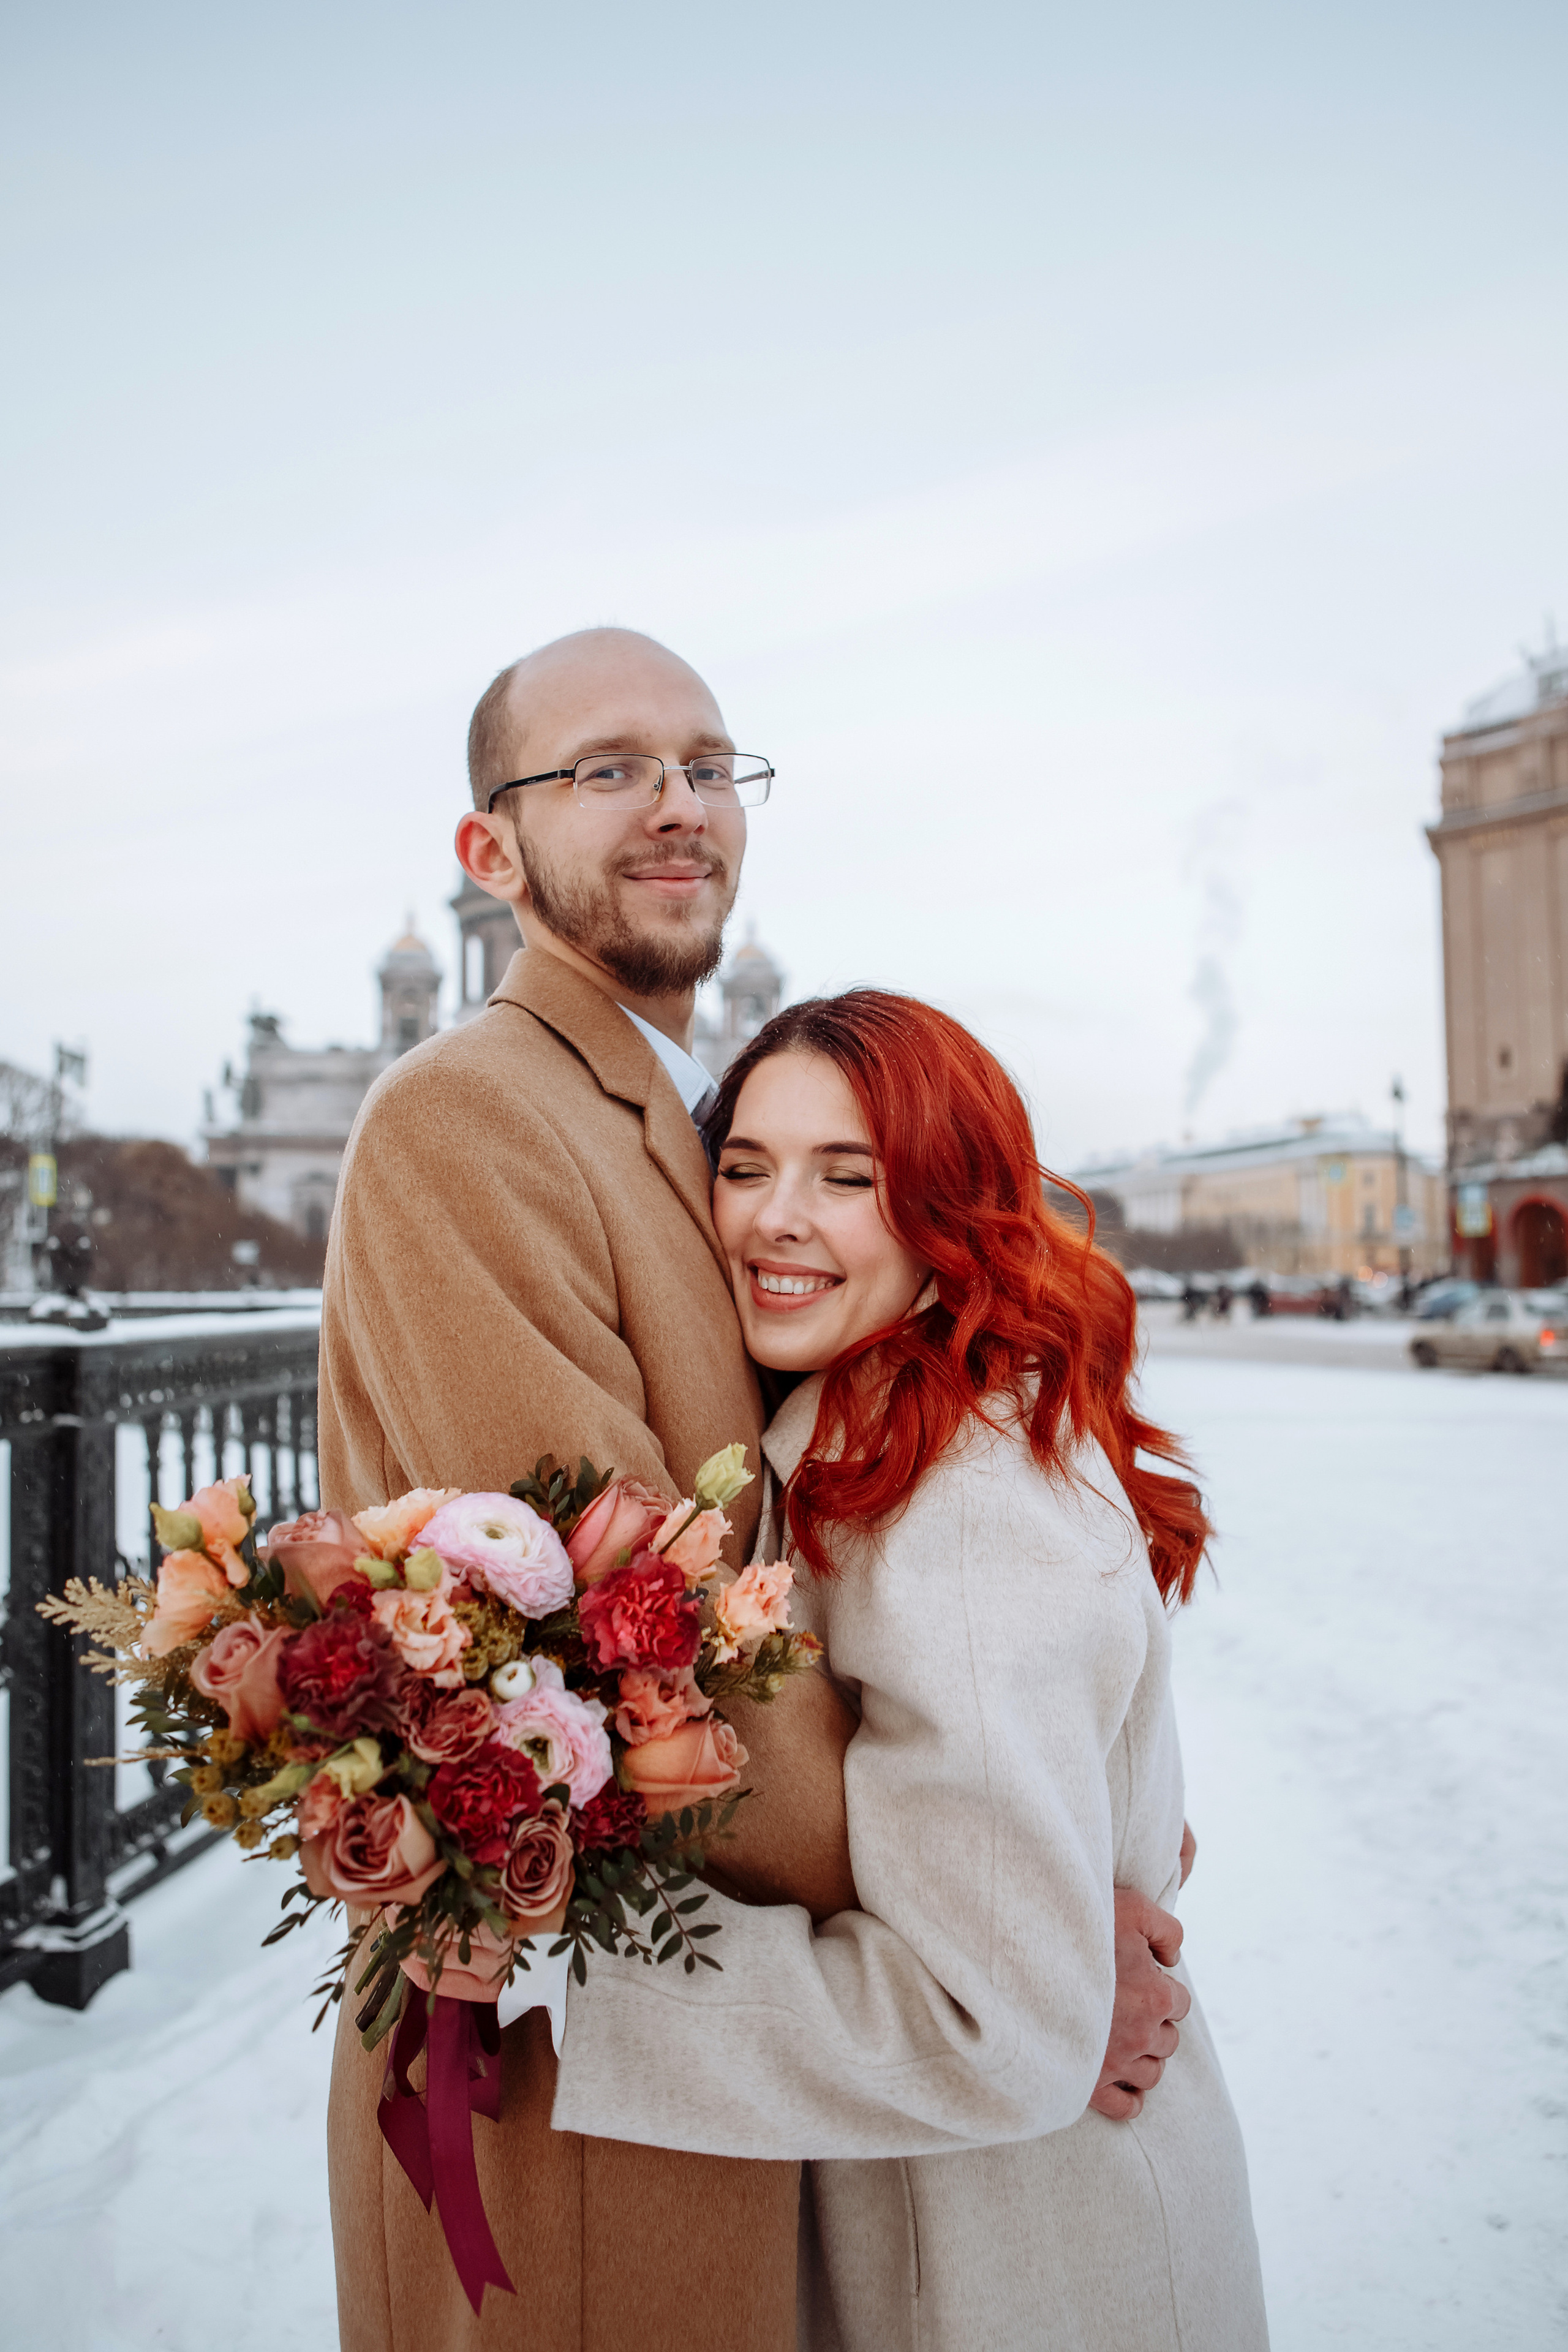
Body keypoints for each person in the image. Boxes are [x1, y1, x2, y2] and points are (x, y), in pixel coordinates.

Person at [317, 630, 1193, 2351]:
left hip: (721, 2068)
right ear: (490, 850)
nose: (676, 804)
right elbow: (633, 1649)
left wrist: (1036, 1851)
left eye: (708, 767)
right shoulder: (471, 1115)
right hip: (574, 2092)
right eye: (607, 768)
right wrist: (1009, 1939)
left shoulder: (665, 1114)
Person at [553, 990, 1269, 2351]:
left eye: (848, 1177)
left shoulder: (957, 1504)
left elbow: (994, 2025)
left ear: (949, 1210)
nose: (776, 1219)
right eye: (746, 1168)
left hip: (1025, 2261)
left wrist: (575, 1980)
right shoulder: (896, 1434)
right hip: (995, 2219)